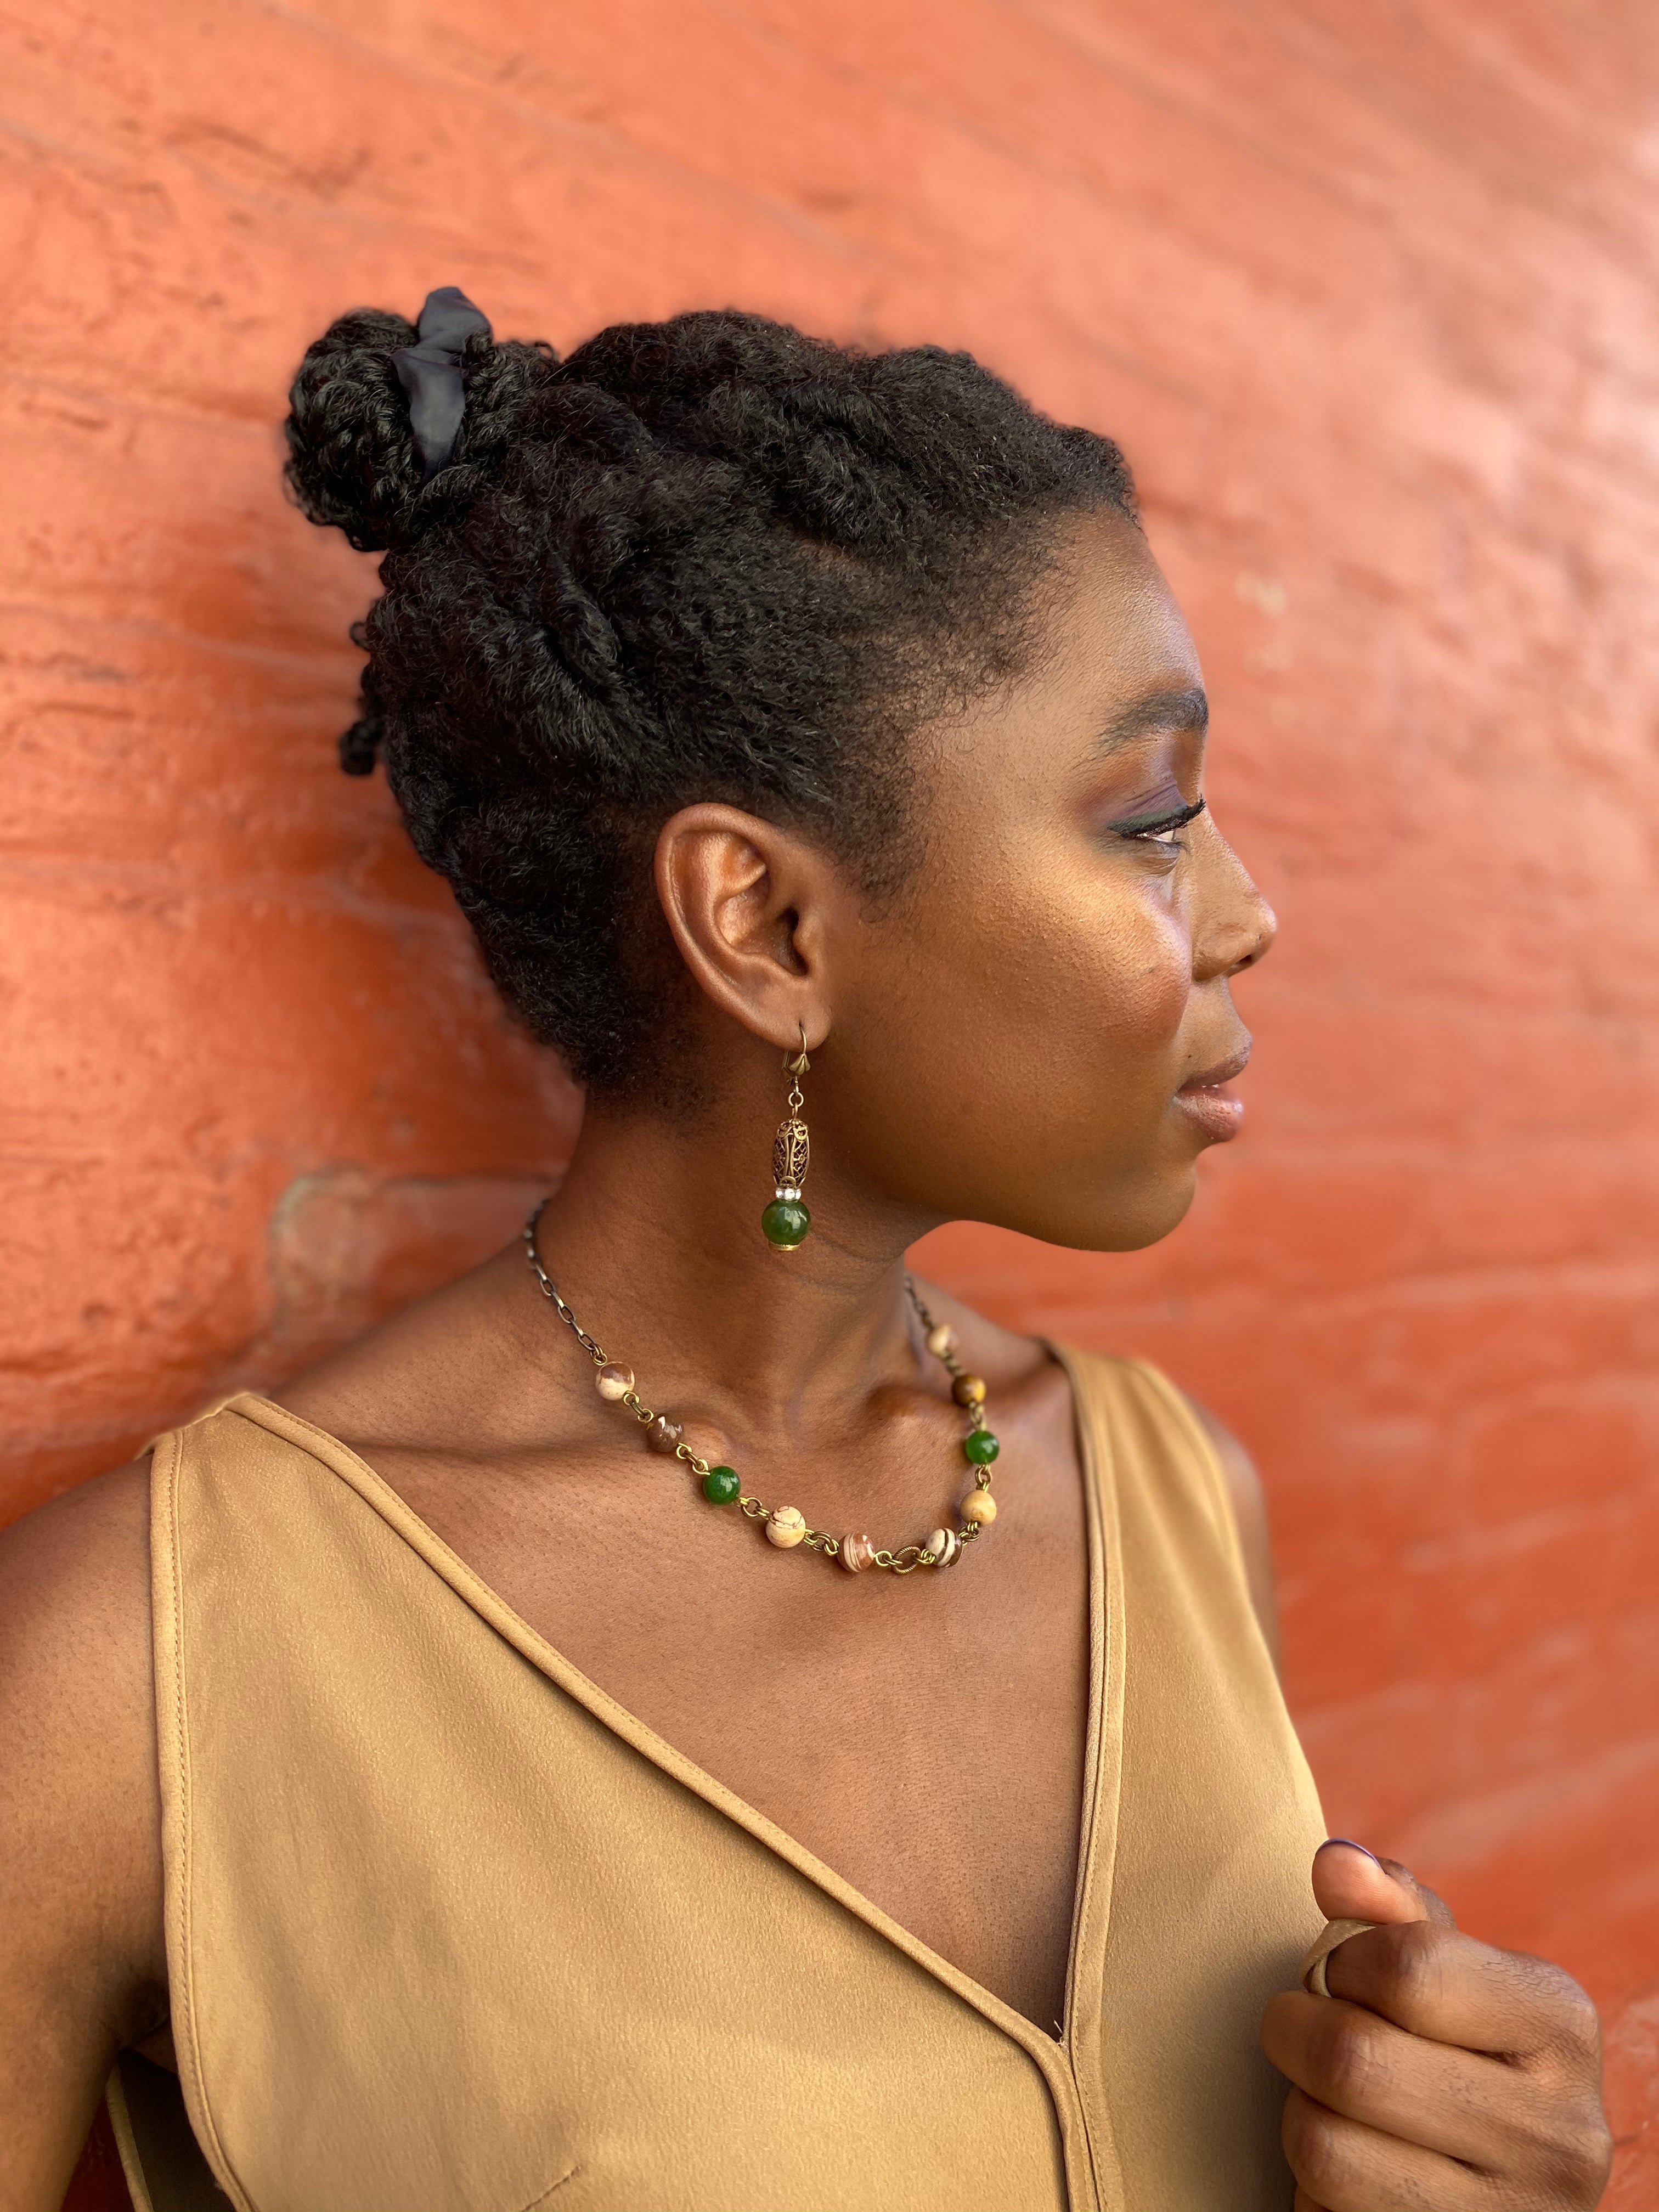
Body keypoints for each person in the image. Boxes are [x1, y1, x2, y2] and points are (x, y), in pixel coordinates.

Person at [0, 291, 1612, 2212]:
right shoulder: (131, 1675)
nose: (1249, 914)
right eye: (1158, 819)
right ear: (761, 924)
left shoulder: (1174, 1496)